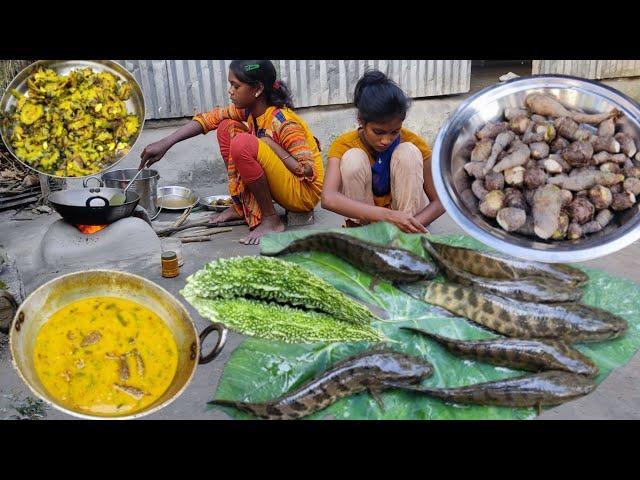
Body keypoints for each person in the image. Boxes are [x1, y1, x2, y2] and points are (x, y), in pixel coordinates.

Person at [138, 60, 324, 245]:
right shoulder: (250, 111)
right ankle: (241, 206)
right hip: (287, 182)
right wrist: (165, 143)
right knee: (226, 127)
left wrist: (270, 144)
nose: (230, 91)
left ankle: (271, 219)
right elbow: (210, 119)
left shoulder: (283, 121)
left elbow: (308, 171)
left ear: (258, 89)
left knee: (243, 143)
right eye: (231, 85)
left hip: (303, 194)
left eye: (236, 86)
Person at [321, 70, 444, 233]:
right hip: (365, 223)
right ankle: (362, 235)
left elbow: (440, 201)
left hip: (405, 223)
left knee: (409, 153)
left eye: (394, 132)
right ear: (361, 121)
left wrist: (412, 224)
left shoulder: (414, 143)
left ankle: (407, 238)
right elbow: (328, 198)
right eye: (378, 132)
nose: (386, 140)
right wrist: (387, 216)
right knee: (353, 159)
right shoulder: (344, 144)